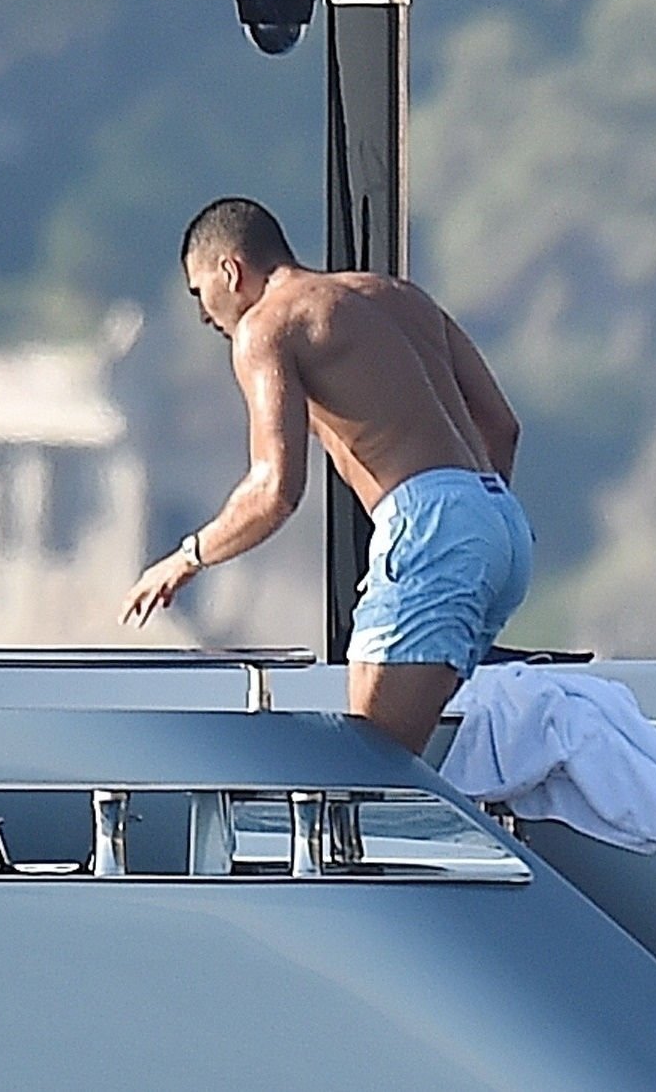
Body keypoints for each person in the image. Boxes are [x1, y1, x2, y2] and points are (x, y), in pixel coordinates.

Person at [119, 197, 531, 755]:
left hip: (432, 525)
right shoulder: (397, 297)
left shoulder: (268, 325)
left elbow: (275, 490)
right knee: (425, 754)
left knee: (367, 765)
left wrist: (186, 558)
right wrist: (474, 524)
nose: (204, 315)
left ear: (230, 270)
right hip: (499, 519)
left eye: (199, 293)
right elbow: (502, 427)